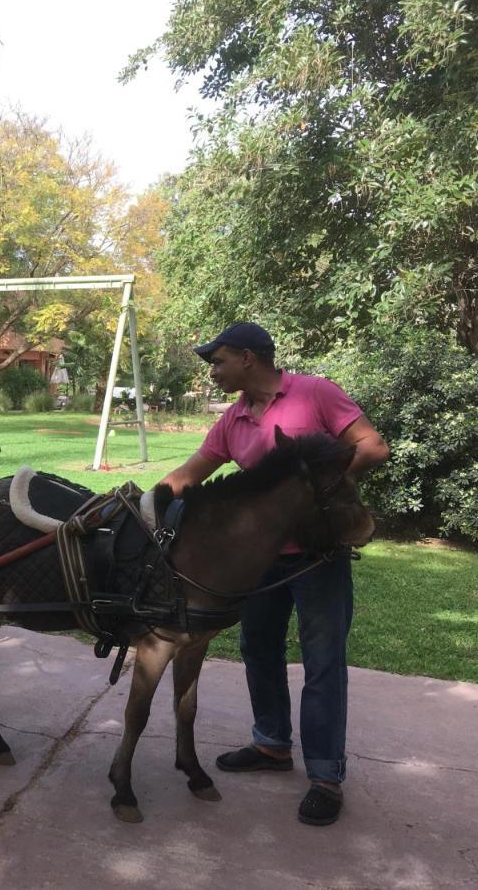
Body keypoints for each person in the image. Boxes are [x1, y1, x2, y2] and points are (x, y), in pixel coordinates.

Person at [158, 321, 389, 827]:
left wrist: (320, 483)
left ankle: (326, 775)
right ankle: (271, 745)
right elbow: (191, 473)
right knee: (257, 649)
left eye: (217, 361)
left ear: (247, 358)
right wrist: (142, 500)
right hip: (256, 561)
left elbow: (374, 447)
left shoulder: (316, 394)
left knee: (322, 660)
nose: (213, 371)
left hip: (317, 554)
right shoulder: (235, 418)